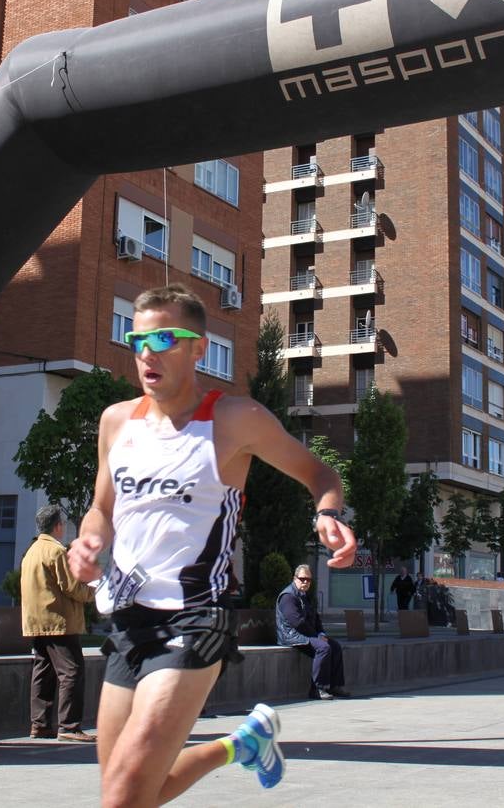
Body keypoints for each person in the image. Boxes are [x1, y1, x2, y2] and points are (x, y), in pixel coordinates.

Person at [66, 284, 357, 806]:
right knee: (127, 795)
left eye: (164, 338)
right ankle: (242, 744)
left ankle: (239, 745)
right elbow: (102, 509)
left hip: (194, 618)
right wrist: (88, 541)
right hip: (128, 622)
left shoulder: (233, 419)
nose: (147, 353)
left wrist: (328, 514)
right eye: (138, 340)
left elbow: (319, 473)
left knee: (123, 798)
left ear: (199, 347)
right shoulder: (116, 422)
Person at [21, 505, 96, 743]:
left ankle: (40, 725)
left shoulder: (32, 550)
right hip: (58, 621)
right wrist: (94, 592)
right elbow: (72, 587)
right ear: (58, 526)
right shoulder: (56, 551)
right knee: (72, 671)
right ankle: (69, 727)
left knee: (43, 672)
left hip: (37, 621)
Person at [276, 564, 349, 700]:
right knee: (323, 648)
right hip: (291, 635)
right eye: (302, 579)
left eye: (308, 580)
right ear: (295, 578)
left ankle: (335, 686)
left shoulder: (304, 595)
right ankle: (317, 689)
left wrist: (321, 634)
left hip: (305, 634)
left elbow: (315, 618)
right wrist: (316, 636)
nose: (305, 582)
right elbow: (297, 623)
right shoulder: (288, 596)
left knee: (335, 646)